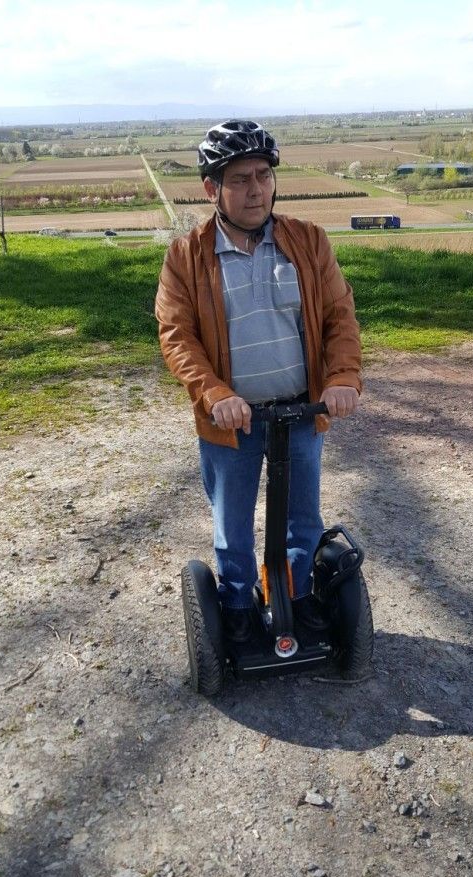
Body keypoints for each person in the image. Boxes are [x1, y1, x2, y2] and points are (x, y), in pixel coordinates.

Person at [155, 120, 362, 643]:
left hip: (299, 411)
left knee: (302, 522)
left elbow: (339, 317)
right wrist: (216, 394)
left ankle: (294, 596)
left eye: (264, 176)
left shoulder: (308, 243)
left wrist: (340, 377)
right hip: (231, 420)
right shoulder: (187, 257)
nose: (256, 189)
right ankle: (238, 604)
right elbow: (178, 336)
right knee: (233, 528)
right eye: (240, 178)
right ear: (212, 189)